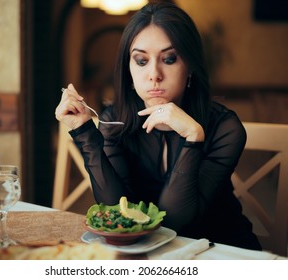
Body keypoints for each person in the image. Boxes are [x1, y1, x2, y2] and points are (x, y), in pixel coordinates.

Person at [55, 2, 262, 251]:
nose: (154, 74)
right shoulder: (116, 121)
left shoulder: (225, 128)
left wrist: (193, 137)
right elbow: (118, 213)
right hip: (149, 258)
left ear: (190, 69)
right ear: (128, 70)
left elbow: (175, 222)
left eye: (169, 59)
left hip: (218, 251)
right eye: (141, 61)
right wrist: (84, 132)